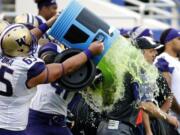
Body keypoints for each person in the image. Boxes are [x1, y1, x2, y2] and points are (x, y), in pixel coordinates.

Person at [0, 17, 104, 134]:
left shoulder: (6, 52)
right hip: (13, 128)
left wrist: (48, 23)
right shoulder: (28, 68)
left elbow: (26, 39)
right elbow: (64, 68)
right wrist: (89, 52)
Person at [26, 42, 77, 135]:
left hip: (59, 121)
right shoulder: (38, 70)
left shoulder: (75, 71)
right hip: (38, 118)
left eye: (50, 56)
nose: (48, 59)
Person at [136, 36, 179, 135]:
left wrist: (160, 114)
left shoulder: (153, 71)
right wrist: (163, 116)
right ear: (140, 53)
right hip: (138, 124)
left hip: (156, 121)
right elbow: (144, 105)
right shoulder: (136, 72)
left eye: (155, 51)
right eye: (151, 51)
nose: (155, 54)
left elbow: (169, 94)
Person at [155, 28, 180, 133]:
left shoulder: (177, 61)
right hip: (171, 119)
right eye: (179, 38)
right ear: (168, 42)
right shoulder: (162, 60)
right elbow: (167, 92)